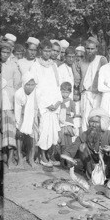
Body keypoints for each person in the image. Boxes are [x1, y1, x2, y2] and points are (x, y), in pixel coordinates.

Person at [61, 108, 110, 181]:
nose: (94, 125)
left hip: (107, 164)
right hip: (91, 165)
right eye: (91, 122)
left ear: (103, 123)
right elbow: (73, 147)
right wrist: (67, 157)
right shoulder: (85, 134)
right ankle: (90, 176)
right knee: (82, 147)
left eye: (97, 122)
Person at [29, 39, 62, 167]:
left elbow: (57, 85)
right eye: (45, 51)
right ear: (40, 51)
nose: (48, 53)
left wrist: (58, 101)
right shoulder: (35, 65)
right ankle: (42, 156)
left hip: (54, 103)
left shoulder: (53, 65)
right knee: (43, 130)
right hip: (43, 104)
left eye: (50, 51)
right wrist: (46, 104)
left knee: (52, 131)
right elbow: (35, 87)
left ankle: (49, 155)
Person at [79, 37, 108, 131]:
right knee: (85, 119)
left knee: (96, 119)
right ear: (85, 48)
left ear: (96, 49)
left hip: (97, 95)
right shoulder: (81, 61)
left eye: (92, 49)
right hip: (85, 94)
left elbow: (106, 77)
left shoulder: (102, 60)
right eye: (88, 48)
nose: (90, 51)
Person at [14, 71, 38, 167]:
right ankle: (20, 158)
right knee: (20, 136)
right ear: (24, 84)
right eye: (28, 84)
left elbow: (37, 107)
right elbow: (17, 110)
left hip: (33, 116)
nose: (30, 87)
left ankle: (31, 159)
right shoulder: (18, 94)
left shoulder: (36, 92)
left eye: (32, 84)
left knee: (32, 137)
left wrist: (33, 121)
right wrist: (19, 124)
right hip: (21, 116)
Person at [58, 82, 76, 151]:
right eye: (63, 92)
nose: (64, 94)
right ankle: (61, 155)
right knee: (61, 139)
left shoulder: (71, 102)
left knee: (68, 140)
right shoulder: (59, 100)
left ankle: (68, 154)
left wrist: (67, 112)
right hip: (60, 123)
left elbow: (74, 114)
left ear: (70, 92)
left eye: (66, 92)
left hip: (68, 123)